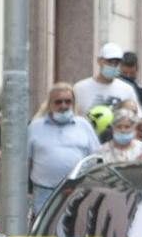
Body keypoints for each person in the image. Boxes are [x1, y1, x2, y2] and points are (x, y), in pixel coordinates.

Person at [28, 85, 101, 214]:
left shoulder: (83, 125)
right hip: (45, 193)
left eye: (68, 101)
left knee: (74, 231)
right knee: (46, 232)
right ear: (50, 104)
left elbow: (96, 158)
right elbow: (24, 160)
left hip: (78, 191)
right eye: (58, 102)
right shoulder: (35, 127)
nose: (63, 105)